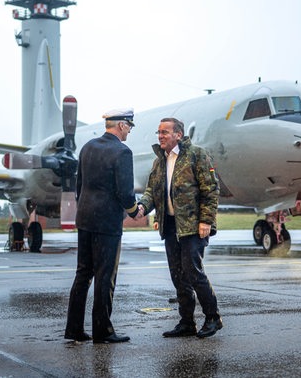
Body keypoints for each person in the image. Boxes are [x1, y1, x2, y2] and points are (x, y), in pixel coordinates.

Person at [137, 117, 222, 338]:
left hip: (193, 225)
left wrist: (206, 221)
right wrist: (141, 208)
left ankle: (213, 318)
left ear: (179, 134)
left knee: (193, 272)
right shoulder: (160, 161)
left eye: (165, 132)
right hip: (171, 225)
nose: (160, 136)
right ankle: (187, 322)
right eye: (159, 132)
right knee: (177, 275)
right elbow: (152, 192)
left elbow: (210, 190)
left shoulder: (196, 155)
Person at [64, 108, 140, 344]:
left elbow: (79, 185)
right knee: (105, 277)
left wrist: (84, 209)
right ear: (121, 126)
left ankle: (74, 329)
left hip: (85, 219)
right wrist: (134, 211)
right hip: (107, 223)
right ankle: (103, 331)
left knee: (82, 275)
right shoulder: (122, 152)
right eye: (129, 126)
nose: (129, 131)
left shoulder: (87, 147)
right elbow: (125, 192)